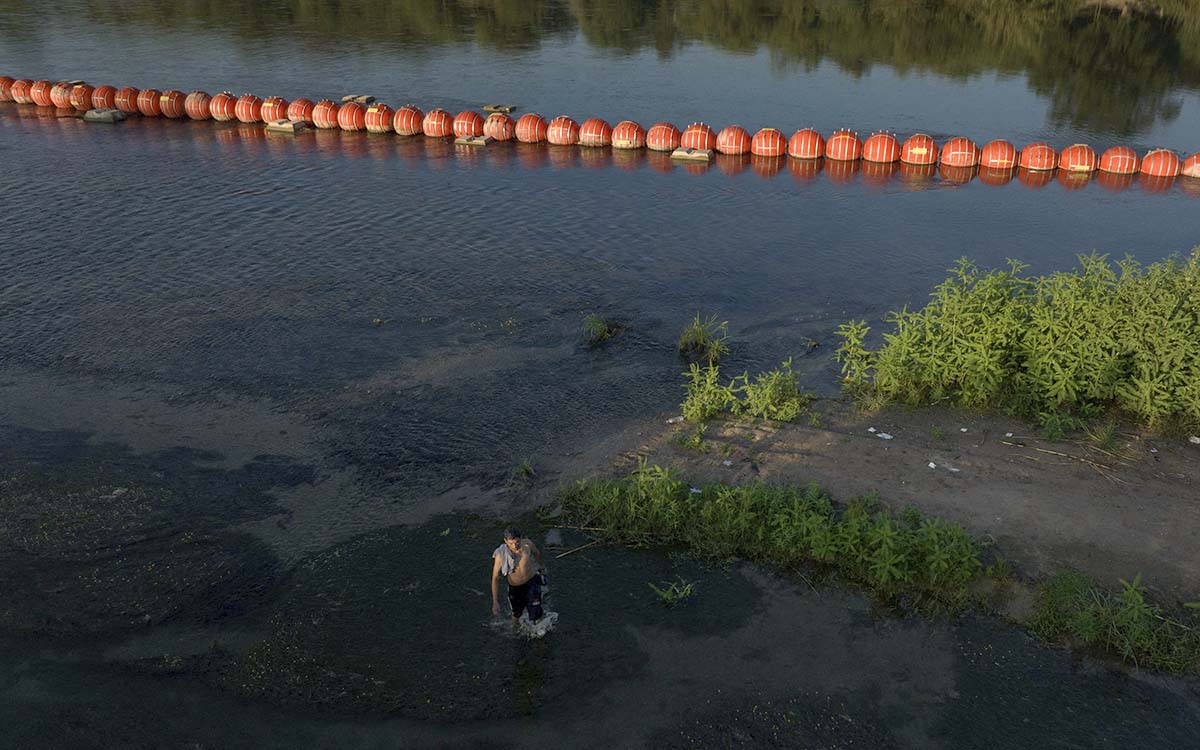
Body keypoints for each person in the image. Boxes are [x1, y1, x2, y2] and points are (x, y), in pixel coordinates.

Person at [491, 526, 545, 624]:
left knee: (536, 612)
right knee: (516, 614)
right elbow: (495, 578)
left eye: (517, 542)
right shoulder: (501, 556)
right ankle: (515, 633)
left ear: (521, 539)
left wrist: (541, 568)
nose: (514, 546)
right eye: (511, 543)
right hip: (516, 587)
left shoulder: (528, 545)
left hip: (531, 581)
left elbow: (537, 553)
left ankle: (538, 632)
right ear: (506, 541)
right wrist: (495, 601)